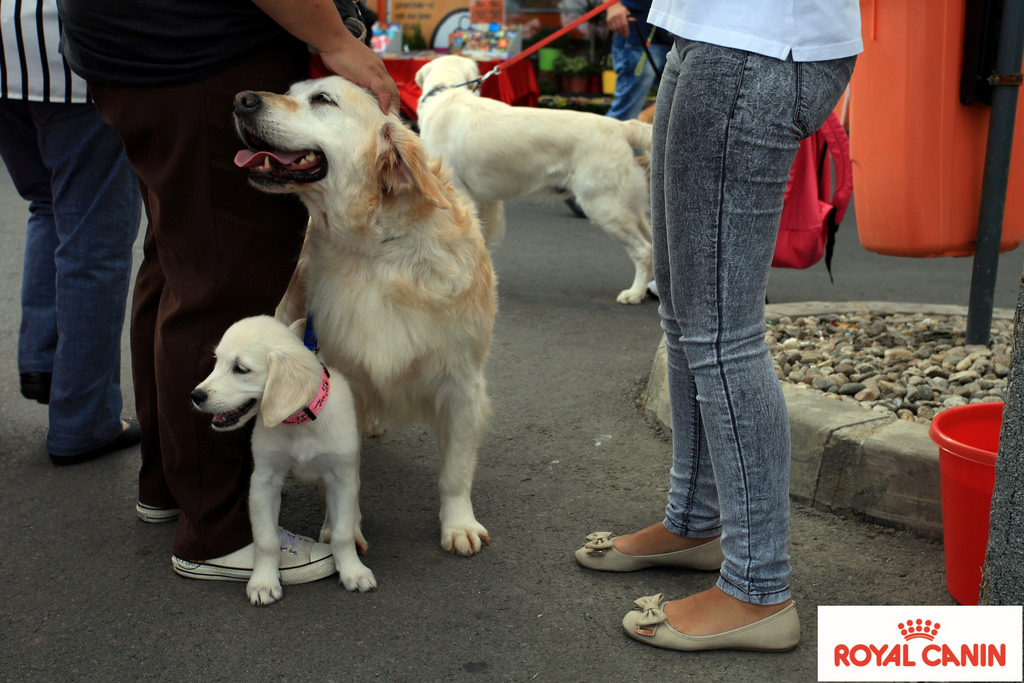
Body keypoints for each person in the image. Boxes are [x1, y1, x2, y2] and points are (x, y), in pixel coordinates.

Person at [56, 0, 399, 585]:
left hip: (138, 54)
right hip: (202, 53)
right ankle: (219, 532)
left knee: (178, 263)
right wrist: (336, 38)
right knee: (219, 284)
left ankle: (172, 483)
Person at [576, 0, 861, 652]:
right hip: (703, 31)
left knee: (721, 329)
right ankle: (695, 522)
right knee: (681, 304)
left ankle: (759, 589)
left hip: (756, 41)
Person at [0, 0, 142, 466]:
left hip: (7, 49)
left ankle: (46, 360)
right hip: (72, 54)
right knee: (95, 238)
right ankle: (85, 421)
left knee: (47, 201)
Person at [603, 0, 671, 121]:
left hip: (677, 36)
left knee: (680, 112)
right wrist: (612, 5)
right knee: (623, 117)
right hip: (638, 32)